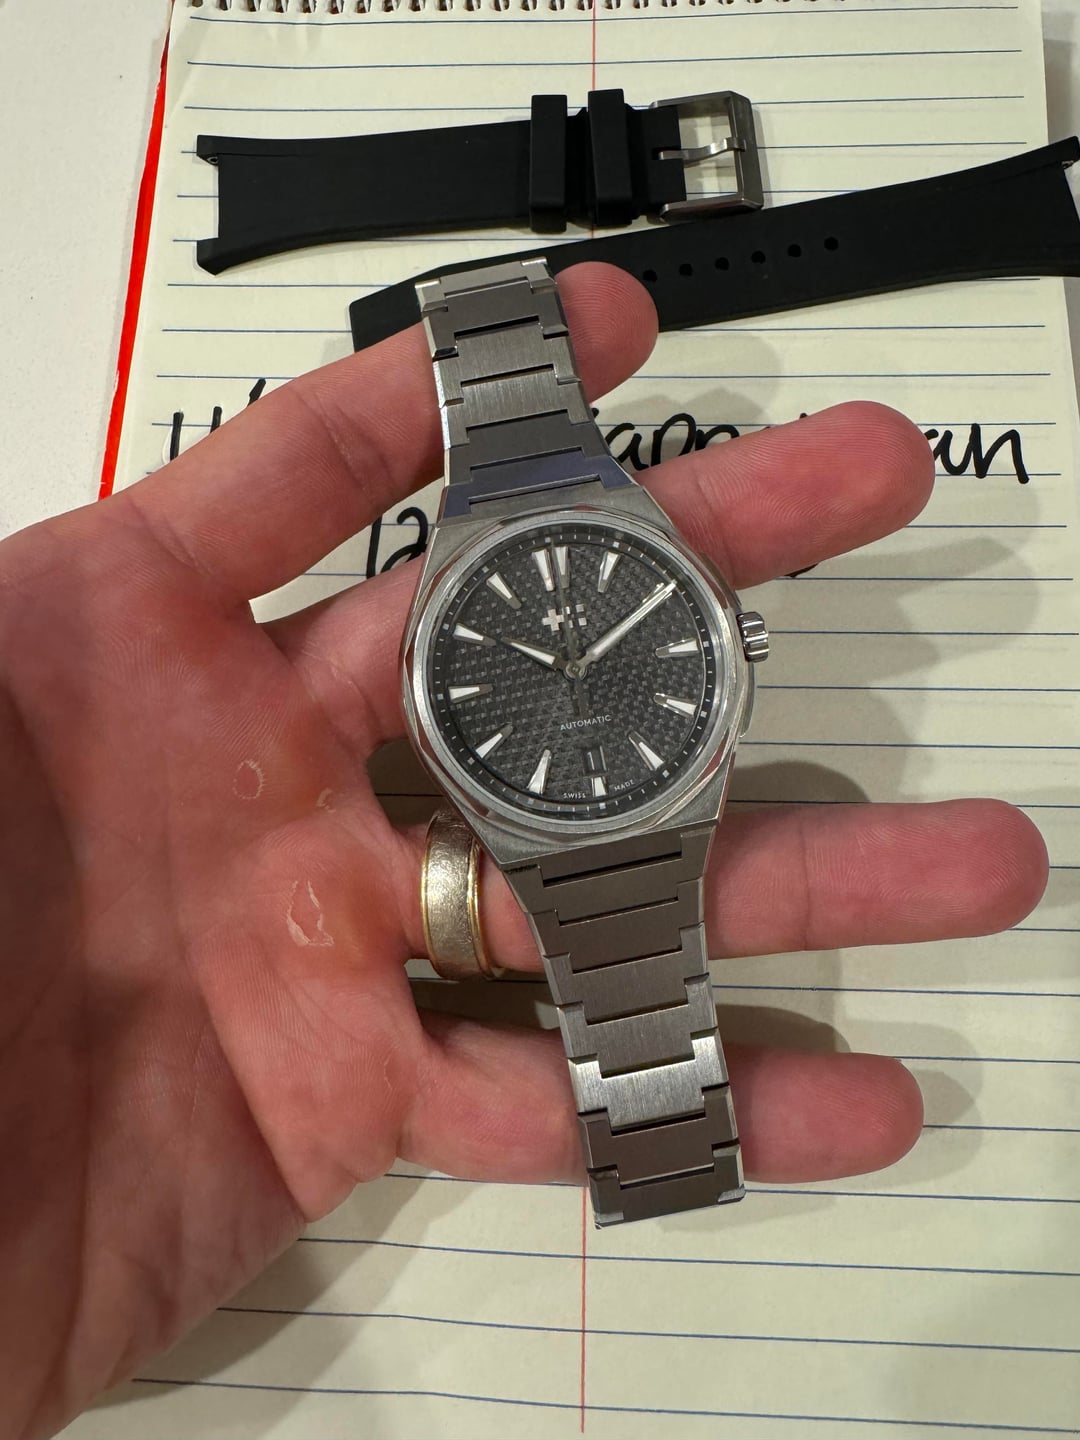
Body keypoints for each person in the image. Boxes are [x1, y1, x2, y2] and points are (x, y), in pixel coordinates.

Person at [0, 264, 1048, 1438]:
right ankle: (659, 1136)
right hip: (535, 807)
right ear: (426, 692)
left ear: (729, 644)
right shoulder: (446, 690)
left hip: (639, 786)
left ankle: (663, 1136)